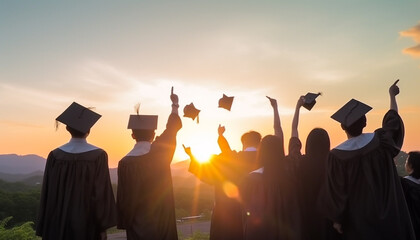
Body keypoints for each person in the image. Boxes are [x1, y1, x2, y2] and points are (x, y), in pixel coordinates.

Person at [321, 80, 415, 240]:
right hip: (390, 223)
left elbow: (337, 196)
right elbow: (393, 122)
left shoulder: (337, 156)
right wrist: (392, 96)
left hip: (358, 227)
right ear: (365, 122)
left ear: (343, 126)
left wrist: (337, 221)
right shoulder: (381, 141)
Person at [36, 102, 117, 240]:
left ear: (67, 128)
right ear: (89, 130)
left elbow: (47, 193)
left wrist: (46, 226)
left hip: (57, 223)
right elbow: (100, 194)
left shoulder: (55, 155)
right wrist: (102, 227)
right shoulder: (98, 156)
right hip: (87, 225)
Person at [117, 87, 182, 240]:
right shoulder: (160, 153)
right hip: (162, 224)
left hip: (137, 226)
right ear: (154, 134)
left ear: (132, 135)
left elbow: (123, 200)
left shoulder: (125, 163)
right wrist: (175, 105)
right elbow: (172, 128)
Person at [184, 128, 261, 240]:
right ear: (259, 143)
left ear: (243, 143)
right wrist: (220, 137)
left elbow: (207, 174)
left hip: (226, 217)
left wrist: (192, 157)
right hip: (257, 218)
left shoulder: (228, 159)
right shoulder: (268, 163)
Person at [241, 97, 301, 240]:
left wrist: (275, 108)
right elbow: (290, 132)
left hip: (260, 232)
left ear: (261, 152)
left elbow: (246, 210)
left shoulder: (251, 178)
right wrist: (295, 107)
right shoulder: (290, 169)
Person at [287, 95, 333, 240]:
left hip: (304, 220)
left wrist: (297, 107)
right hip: (328, 222)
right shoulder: (334, 163)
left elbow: (294, 131)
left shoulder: (299, 162)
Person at [401, 151, 420, 240]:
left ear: (411, 165)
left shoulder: (404, 184)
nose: (405, 163)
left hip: (409, 226)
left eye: (406, 161)